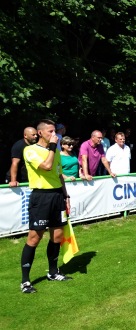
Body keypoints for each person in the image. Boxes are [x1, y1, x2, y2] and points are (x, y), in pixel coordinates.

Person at [20, 119, 72, 293]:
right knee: (34, 238)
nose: (54, 135)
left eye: (55, 131)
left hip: (57, 196)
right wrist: (51, 147)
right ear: (40, 133)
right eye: (50, 131)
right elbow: (47, 166)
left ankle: (53, 272)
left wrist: (66, 196)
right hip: (41, 197)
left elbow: (59, 175)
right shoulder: (30, 150)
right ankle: (25, 281)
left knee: (57, 236)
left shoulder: (55, 151)